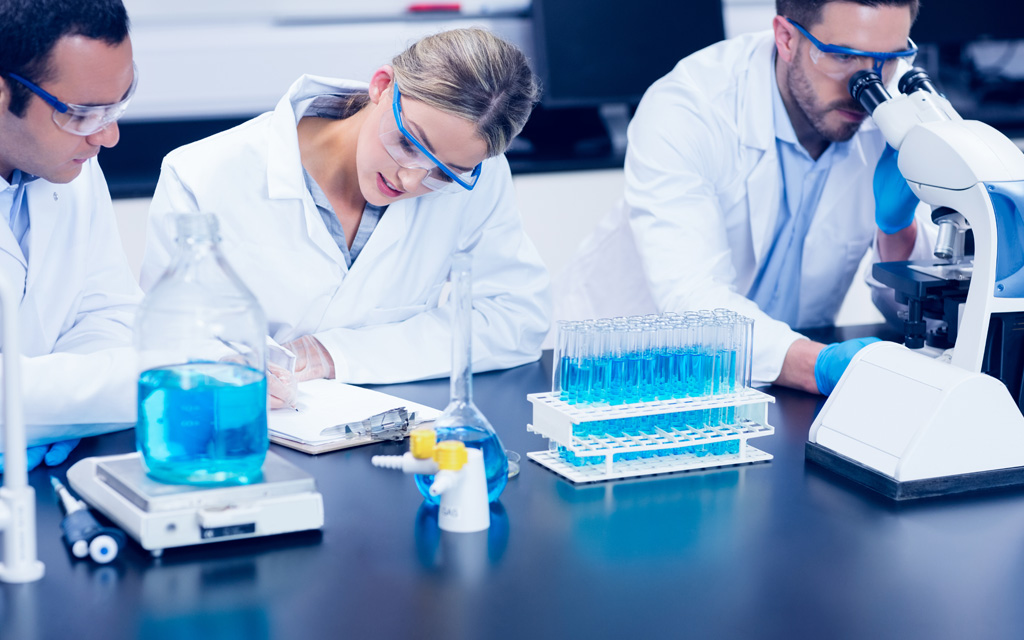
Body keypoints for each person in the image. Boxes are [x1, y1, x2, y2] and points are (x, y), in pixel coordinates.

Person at [140, 28, 550, 402]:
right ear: (383, 86)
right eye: (409, 143)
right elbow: (170, 338)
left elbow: (515, 318)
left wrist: (333, 354)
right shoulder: (202, 173)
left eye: (442, 173)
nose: (410, 180)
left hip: (392, 436)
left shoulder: (475, 176)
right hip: (241, 430)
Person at [555, 0, 933, 395]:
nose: (865, 87)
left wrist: (897, 228)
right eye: (841, 56)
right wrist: (818, 365)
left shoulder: (899, 105)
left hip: (783, 383)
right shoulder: (690, 107)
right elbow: (692, 301)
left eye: (888, 59)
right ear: (786, 38)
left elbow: (906, 313)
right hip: (632, 374)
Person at [0, 0, 142, 471]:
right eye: (83, 113)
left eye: (119, 103)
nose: (108, 136)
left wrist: (54, 417)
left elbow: (107, 315)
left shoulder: (71, 166)